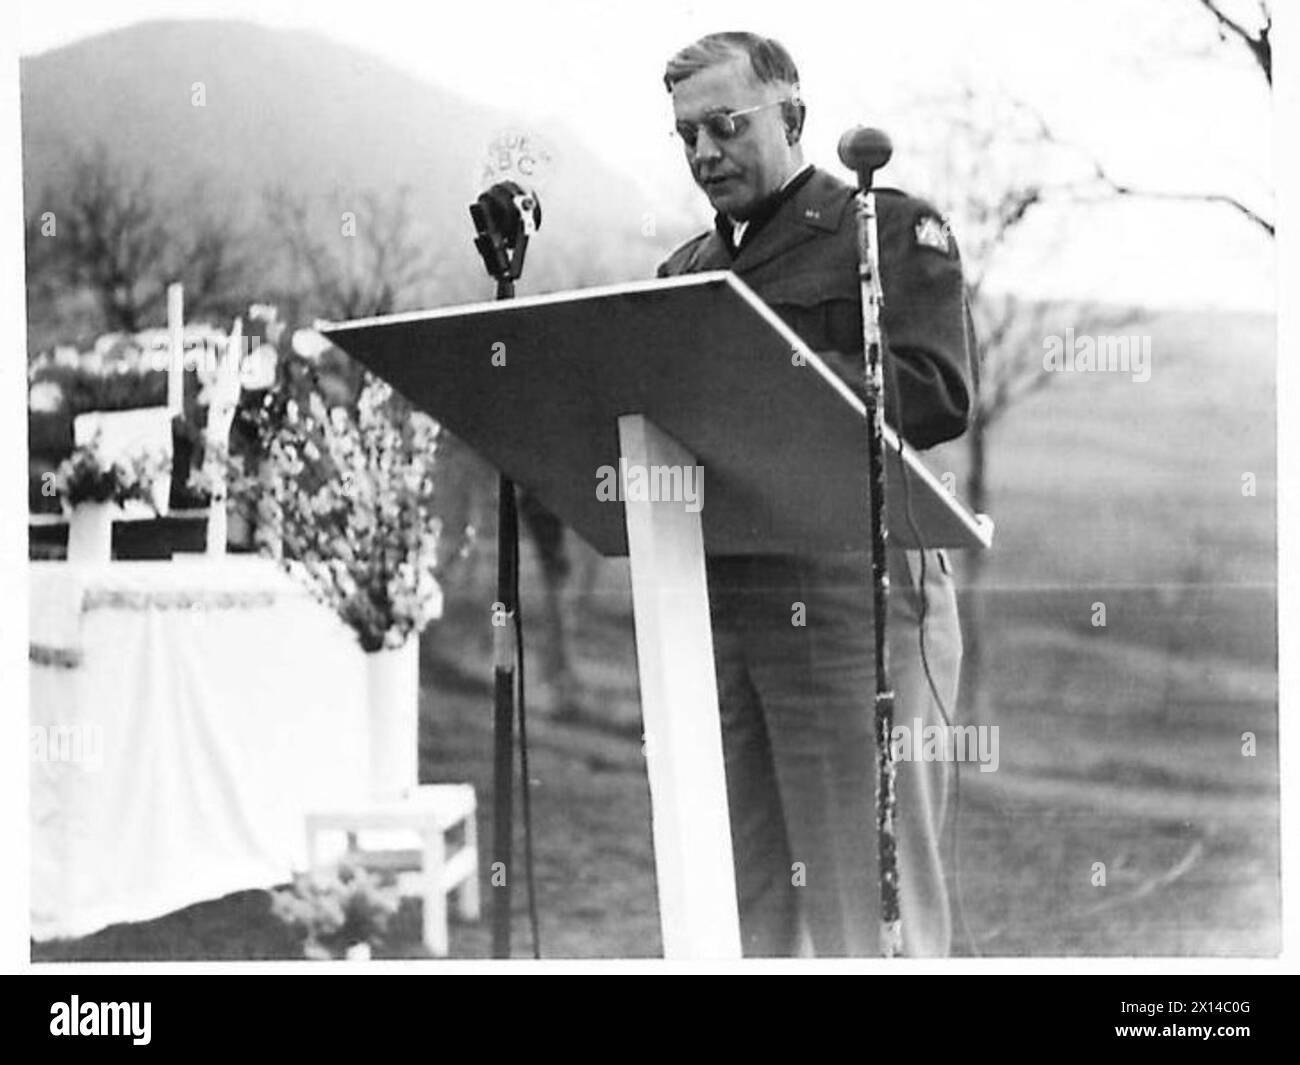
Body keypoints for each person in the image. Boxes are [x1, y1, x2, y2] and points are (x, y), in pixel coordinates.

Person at [656, 31, 974, 957]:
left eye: (725, 124)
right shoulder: (682, 277)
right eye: (687, 136)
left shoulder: (882, 231)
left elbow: (934, 388)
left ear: (792, 115)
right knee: (735, 897)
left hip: (850, 599)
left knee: (863, 898)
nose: (705, 152)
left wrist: (775, 375)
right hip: (717, 603)